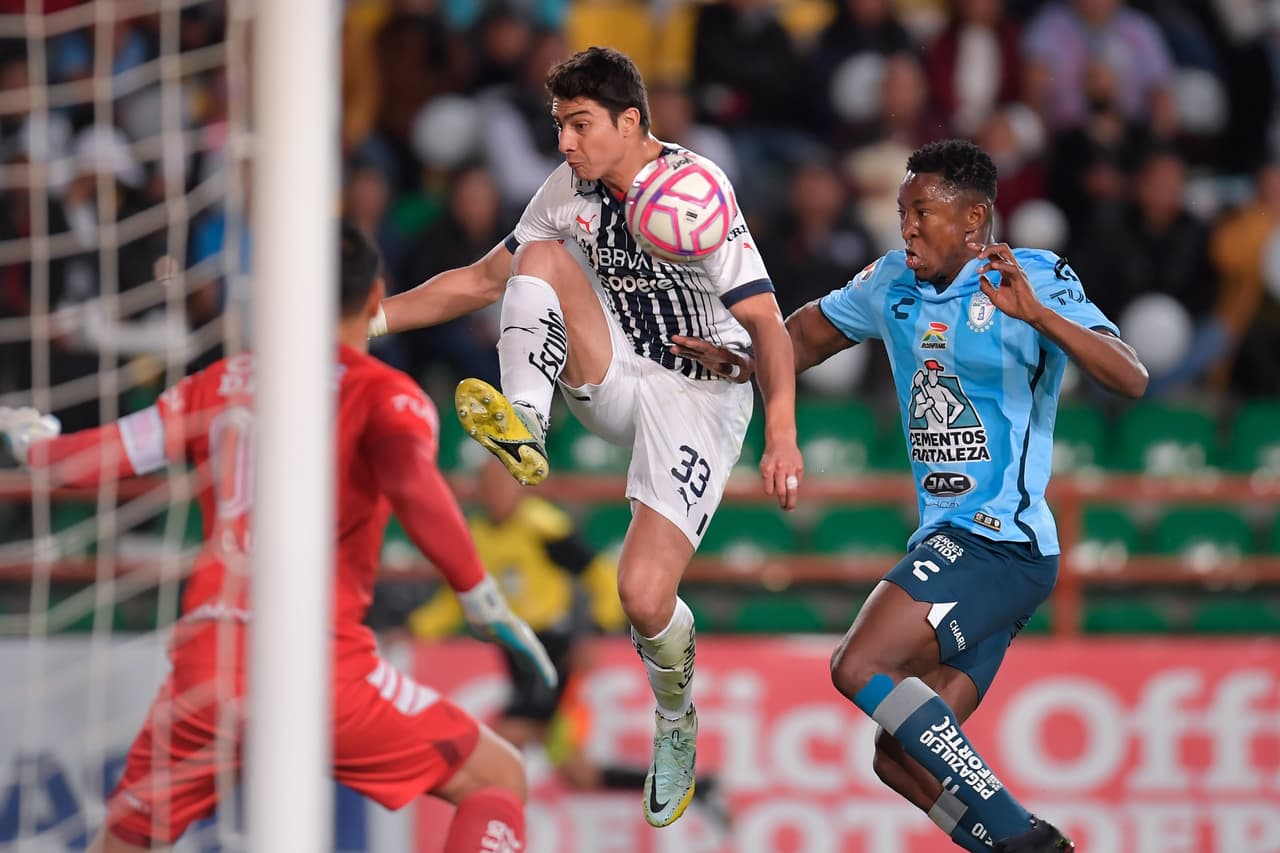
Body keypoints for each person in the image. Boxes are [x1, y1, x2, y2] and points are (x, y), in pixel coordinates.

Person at [0, 223, 557, 852]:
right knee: (498, 775)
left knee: (123, 842)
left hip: (209, 663)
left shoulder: (220, 382)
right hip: (319, 668)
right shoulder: (385, 394)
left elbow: (87, 460)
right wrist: (477, 591)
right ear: (377, 296)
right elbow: (409, 479)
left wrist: (35, 443)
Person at [671, 139, 1148, 852]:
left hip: (1000, 539)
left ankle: (1028, 838)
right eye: (903, 212)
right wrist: (744, 364)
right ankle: (1010, 844)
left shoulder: (1032, 277)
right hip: (958, 543)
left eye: (923, 212)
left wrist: (1040, 317)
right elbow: (803, 335)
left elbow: (1133, 378)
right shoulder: (888, 281)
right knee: (898, 756)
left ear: (974, 218)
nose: (909, 228)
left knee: (857, 664)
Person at [370, 46, 803, 828]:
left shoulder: (698, 191)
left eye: (578, 125)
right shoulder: (566, 189)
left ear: (630, 121)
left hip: (700, 399)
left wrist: (783, 434)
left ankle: (676, 717)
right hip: (616, 370)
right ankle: (524, 424)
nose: (564, 143)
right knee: (536, 254)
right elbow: (476, 281)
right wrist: (362, 320)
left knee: (642, 595)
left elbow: (767, 323)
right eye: (558, 125)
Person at [407, 457, 731, 831]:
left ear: (518, 487)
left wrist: (594, 631)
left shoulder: (542, 526)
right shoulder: (476, 534)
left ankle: (486, 832)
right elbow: (458, 597)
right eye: (487, 487)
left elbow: (599, 573)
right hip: (518, 655)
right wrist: (419, 628)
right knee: (579, 775)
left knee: (505, 737)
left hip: (554, 652)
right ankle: (701, 787)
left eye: (503, 485)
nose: (496, 494)